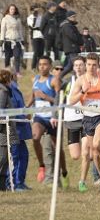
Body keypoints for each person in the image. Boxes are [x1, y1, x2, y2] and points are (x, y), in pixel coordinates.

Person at [68, 53, 100, 193]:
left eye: (94, 64)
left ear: (98, 64)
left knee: (97, 144)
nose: (91, 67)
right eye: (89, 64)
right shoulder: (80, 80)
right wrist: (83, 91)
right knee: (94, 153)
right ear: (85, 65)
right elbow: (71, 101)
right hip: (87, 119)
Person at [26, 56, 68, 186]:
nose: (42, 67)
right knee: (35, 137)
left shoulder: (54, 80)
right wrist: (26, 109)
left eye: (45, 64)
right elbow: (33, 96)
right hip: (39, 117)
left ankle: (64, 171)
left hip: (52, 118)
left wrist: (44, 97)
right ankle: (41, 165)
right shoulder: (35, 79)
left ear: (50, 66)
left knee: (57, 148)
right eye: (40, 64)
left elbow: (58, 100)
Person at [61, 56, 92, 192]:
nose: (78, 67)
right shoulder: (68, 81)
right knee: (75, 156)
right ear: (73, 68)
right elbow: (60, 98)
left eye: (81, 65)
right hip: (71, 119)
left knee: (85, 153)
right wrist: (57, 115)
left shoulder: (90, 80)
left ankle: (82, 182)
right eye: (76, 65)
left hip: (86, 119)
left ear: (85, 66)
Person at [7, 71, 31, 191]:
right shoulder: (7, 91)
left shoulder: (15, 89)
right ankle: (12, 183)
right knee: (14, 156)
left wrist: (26, 112)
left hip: (20, 129)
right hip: (12, 129)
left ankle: (20, 182)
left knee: (24, 155)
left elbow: (20, 106)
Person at [0, 69, 19, 191]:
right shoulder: (2, 91)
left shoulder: (6, 91)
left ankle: (2, 186)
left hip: (7, 128)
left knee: (6, 158)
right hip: (2, 129)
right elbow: (1, 110)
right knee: (2, 157)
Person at [1, 4, 24, 76]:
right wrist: (1, 40)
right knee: (7, 56)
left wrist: (22, 39)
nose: (12, 11)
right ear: (8, 10)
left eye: (14, 9)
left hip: (16, 40)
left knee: (17, 56)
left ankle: (17, 72)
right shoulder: (5, 19)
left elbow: (20, 30)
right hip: (8, 40)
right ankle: (6, 71)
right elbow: (3, 30)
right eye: (11, 9)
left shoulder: (18, 19)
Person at [59, 11, 83, 79]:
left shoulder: (70, 25)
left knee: (70, 66)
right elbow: (73, 36)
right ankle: (76, 79)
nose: (75, 18)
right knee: (76, 65)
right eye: (74, 17)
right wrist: (80, 39)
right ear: (69, 17)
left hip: (72, 48)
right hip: (71, 48)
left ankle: (59, 77)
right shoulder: (67, 26)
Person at [27, 4, 44, 70]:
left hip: (41, 36)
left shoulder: (40, 17)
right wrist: (34, 17)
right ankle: (33, 67)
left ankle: (39, 67)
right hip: (35, 36)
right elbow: (32, 26)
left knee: (41, 53)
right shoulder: (30, 18)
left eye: (37, 9)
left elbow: (42, 26)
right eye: (35, 9)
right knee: (36, 52)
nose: (37, 11)